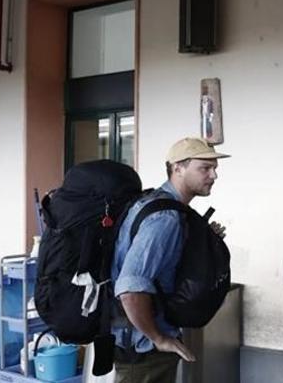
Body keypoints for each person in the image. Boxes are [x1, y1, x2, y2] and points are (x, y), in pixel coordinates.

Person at [111, 137, 230, 383]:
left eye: (215, 168)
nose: (214, 175)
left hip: (141, 343)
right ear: (178, 167)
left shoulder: (159, 205)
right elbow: (130, 289)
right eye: (205, 168)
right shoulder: (165, 217)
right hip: (144, 351)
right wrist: (159, 339)